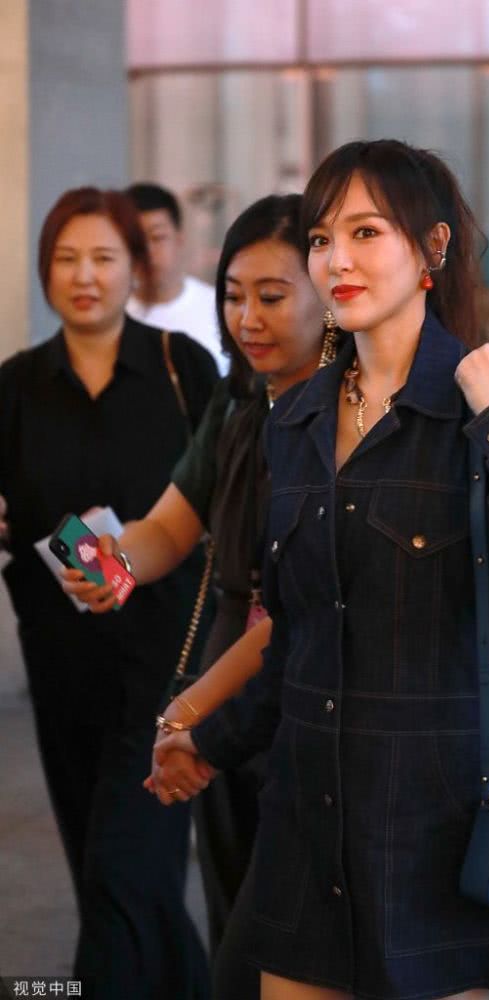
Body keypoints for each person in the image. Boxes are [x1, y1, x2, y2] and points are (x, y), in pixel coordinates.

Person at [149, 139, 489, 1000]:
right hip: (305, 817)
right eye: (322, 238)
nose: (337, 260)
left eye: (365, 232)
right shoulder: (295, 420)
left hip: (435, 823)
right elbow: (296, 640)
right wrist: (209, 742)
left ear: (431, 247)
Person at [63, 194, 338, 997]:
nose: (246, 317)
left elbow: (307, 605)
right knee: (230, 909)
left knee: (279, 942)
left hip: (303, 691)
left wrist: (192, 712)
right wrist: (111, 561)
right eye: (233, 294)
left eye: (271, 295)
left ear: (328, 293)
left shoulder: (355, 417)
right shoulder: (239, 400)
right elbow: (168, 527)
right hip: (220, 680)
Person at [0, 187, 219, 999]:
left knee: (122, 868)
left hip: (170, 663)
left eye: (103, 257)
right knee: (114, 877)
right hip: (61, 665)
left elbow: (222, 495)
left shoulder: (182, 368)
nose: (84, 275)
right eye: (66, 258)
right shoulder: (15, 386)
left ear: (136, 267)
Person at [125, 181, 229, 375]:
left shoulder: (220, 308)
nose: (148, 251)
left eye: (157, 237)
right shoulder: (113, 315)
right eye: (137, 240)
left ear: (179, 238)